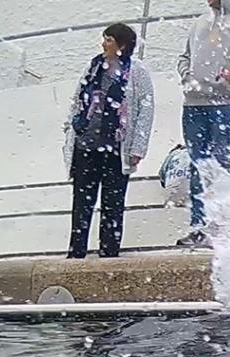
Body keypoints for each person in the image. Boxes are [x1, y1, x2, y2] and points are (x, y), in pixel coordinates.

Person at [176, 0, 230, 248]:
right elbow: (183, 57)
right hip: (193, 103)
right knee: (197, 162)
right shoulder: (199, 22)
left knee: (221, 162)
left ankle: (221, 226)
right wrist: (187, 76)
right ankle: (198, 226)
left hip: (225, 102)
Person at [62, 23, 154, 259]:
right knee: (82, 203)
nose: (104, 43)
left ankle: (109, 253)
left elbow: (146, 109)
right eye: (104, 39)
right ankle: (76, 252)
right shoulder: (93, 67)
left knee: (112, 205)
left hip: (115, 148)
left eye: (109, 39)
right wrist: (70, 127)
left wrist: (138, 147)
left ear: (122, 45)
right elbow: (77, 100)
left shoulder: (137, 71)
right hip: (86, 146)